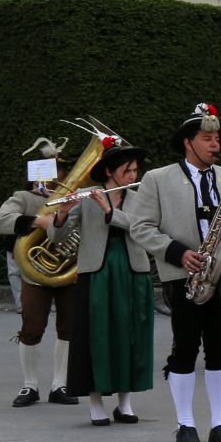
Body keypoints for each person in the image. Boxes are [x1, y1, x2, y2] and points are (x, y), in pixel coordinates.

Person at [128, 104, 221, 442]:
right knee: (185, 349)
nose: (215, 144)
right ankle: (185, 423)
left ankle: (219, 421)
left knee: (220, 349)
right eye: (207, 138)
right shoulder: (157, 178)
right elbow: (140, 226)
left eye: (216, 138)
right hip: (184, 275)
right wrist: (178, 252)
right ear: (187, 143)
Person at [66, 137, 155, 426]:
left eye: (134, 171)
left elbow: (140, 228)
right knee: (97, 334)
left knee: (130, 334)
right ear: (109, 172)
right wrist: (60, 215)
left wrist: (109, 211)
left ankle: (125, 402)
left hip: (132, 271)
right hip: (97, 272)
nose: (133, 176)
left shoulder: (139, 196)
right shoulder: (87, 195)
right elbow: (57, 236)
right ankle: (95, 402)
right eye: (127, 171)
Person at [0, 137, 80, 408]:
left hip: (68, 272)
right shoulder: (23, 197)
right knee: (31, 328)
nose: (59, 176)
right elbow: (0, 222)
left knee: (69, 328)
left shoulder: (74, 198)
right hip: (35, 274)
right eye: (52, 171)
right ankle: (29, 386)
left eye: (62, 171)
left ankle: (60, 385)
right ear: (37, 175)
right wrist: (38, 220)